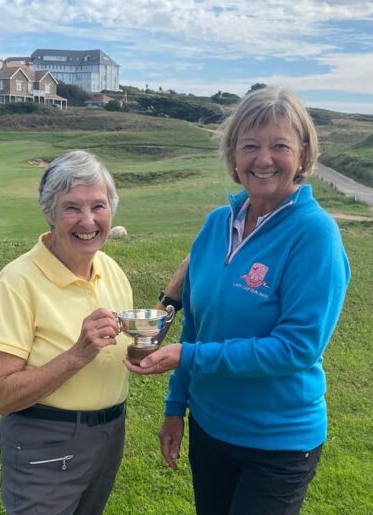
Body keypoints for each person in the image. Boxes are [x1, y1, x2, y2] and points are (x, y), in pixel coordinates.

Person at [126, 87, 351, 515]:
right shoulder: (216, 224)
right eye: (250, 146)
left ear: (303, 154)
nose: (263, 159)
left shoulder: (314, 234)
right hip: (211, 430)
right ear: (233, 155)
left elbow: (296, 349)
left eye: (279, 146)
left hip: (278, 442)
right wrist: (176, 408)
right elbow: (197, 324)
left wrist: (188, 356)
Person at [0, 150, 133, 514]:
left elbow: (123, 345)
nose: (87, 221)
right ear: (48, 211)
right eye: (71, 208)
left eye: (98, 206)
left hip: (108, 436)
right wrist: (76, 355)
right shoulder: (17, 282)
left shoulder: (110, 269)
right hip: (46, 442)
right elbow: (2, 395)